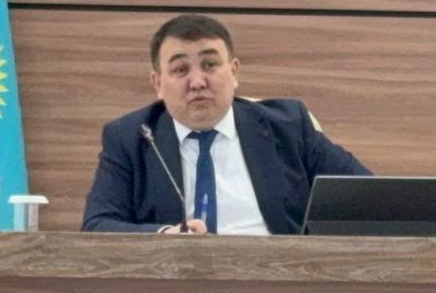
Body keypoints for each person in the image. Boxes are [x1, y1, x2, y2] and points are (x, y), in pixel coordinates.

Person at [82, 14, 371, 235]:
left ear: (234, 72)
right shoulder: (131, 137)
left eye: (210, 65)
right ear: (158, 84)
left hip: (280, 282)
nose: (197, 82)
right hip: (176, 286)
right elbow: (97, 225)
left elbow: (369, 201)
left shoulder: (289, 126)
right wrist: (164, 236)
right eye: (181, 69)